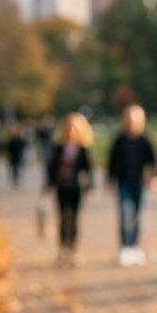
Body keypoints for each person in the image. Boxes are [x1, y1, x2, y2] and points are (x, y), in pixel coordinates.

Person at [107, 104, 157, 267]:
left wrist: (155, 177)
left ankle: (135, 246)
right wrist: (109, 180)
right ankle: (125, 248)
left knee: (137, 216)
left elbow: (154, 160)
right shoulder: (120, 139)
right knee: (125, 215)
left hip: (139, 183)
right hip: (123, 182)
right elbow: (112, 162)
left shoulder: (145, 138)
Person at [44, 113, 95, 267]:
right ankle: (62, 249)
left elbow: (89, 169)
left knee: (73, 219)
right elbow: (51, 168)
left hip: (76, 188)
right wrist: (48, 185)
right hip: (62, 187)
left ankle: (73, 250)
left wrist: (90, 187)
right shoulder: (58, 147)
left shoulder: (83, 148)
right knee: (63, 218)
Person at [6, 123, 28, 187]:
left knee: (18, 167)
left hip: (19, 156)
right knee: (14, 167)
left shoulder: (21, 139)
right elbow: (9, 148)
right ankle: (14, 177)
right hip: (13, 156)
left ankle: (17, 177)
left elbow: (24, 146)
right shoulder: (12, 140)